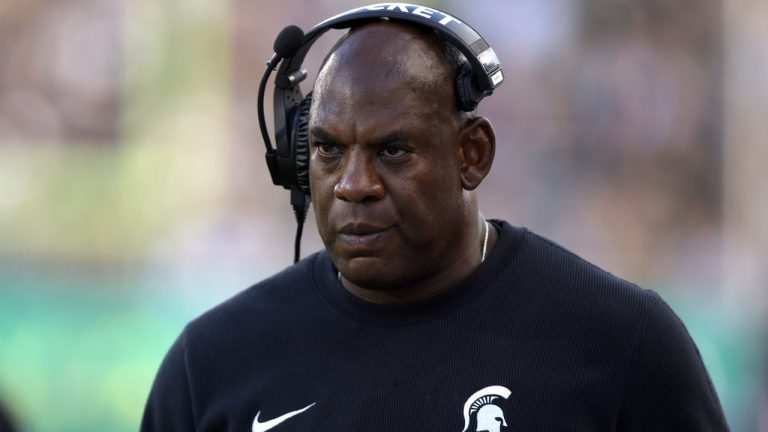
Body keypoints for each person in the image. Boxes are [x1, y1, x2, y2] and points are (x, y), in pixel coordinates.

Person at [141, 5, 730, 431]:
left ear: (472, 154)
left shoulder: (624, 342)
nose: (354, 185)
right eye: (327, 151)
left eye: (392, 151)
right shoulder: (212, 364)